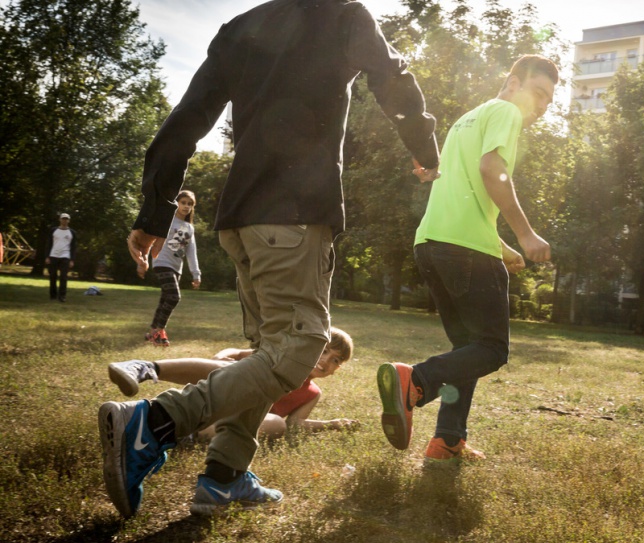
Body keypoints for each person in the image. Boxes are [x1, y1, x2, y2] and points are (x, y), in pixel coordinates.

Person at [99, 0, 439, 519]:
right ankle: (156, 422)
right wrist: (424, 145)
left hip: (240, 218)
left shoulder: (240, 28)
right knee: (298, 349)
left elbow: (188, 119)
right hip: (295, 216)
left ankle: (224, 475)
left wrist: (152, 213)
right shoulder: (343, 15)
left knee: (268, 351)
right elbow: (390, 76)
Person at [376, 55, 557, 462]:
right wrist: (524, 234)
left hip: (432, 245)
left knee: (467, 350)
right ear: (512, 82)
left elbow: (466, 195)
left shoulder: (466, 120)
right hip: (465, 252)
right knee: (491, 349)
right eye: (538, 92)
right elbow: (492, 170)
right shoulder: (507, 112)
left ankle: (448, 439)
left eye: (548, 99)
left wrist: (501, 245)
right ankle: (415, 381)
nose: (541, 105)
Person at [108, 327, 358, 442]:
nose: (325, 360)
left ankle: (173, 429)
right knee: (232, 370)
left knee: (277, 423)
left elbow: (295, 423)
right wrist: (221, 355)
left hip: (238, 421)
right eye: (323, 351)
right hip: (225, 391)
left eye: (335, 359)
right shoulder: (280, 360)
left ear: (338, 369)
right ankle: (145, 367)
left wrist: (331, 425)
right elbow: (237, 353)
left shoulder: (312, 393)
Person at [142, 190, 202, 347]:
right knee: (174, 296)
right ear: (177, 203)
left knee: (165, 299)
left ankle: (152, 333)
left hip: (176, 267)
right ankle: (158, 332)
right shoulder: (167, 221)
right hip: (161, 262)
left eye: (190, 204)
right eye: (183, 203)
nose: (186, 206)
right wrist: (141, 261)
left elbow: (191, 251)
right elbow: (149, 240)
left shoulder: (189, 227)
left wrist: (196, 274)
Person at [45, 213, 78, 302]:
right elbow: (49, 244)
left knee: (63, 277)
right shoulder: (53, 230)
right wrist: (47, 256)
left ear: (69, 221)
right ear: (60, 220)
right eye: (63, 219)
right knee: (53, 276)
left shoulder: (72, 233)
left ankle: (62, 296)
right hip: (53, 255)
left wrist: (72, 259)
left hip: (65, 256)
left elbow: (74, 247)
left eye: (66, 219)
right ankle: (53, 295)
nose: (65, 220)